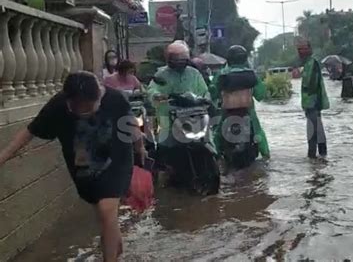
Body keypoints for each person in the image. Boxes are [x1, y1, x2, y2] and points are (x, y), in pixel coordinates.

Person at [0, 71, 145, 262]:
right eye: (78, 110)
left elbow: (132, 126)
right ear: (69, 101)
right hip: (82, 167)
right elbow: (30, 131)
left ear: (99, 97)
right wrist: (3, 156)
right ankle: (116, 252)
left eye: (89, 109)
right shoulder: (59, 105)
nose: (83, 113)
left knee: (106, 208)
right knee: (105, 216)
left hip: (116, 159)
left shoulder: (115, 99)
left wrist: (140, 149)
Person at [211, 45, 270, 159]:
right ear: (244, 58)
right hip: (248, 112)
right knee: (258, 132)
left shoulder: (221, 74)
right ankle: (266, 156)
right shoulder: (251, 74)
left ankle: (216, 158)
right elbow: (260, 95)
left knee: (217, 134)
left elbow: (213, 93)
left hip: (227, 112)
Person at [147, 41, 209, 145]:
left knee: (207, 142)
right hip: (169, 117)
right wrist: (158, 96)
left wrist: (205, 99)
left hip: (193, 115)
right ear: (169, 59)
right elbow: (152, 90)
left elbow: (204, 91)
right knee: (165, 146)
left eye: (183, 60)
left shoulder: (194, 73)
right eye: (176, 59)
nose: (180, 62)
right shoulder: (161, 74)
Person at [298, 41, 330, 159]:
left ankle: (312, 157)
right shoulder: (307, 64)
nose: (301, 52)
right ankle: (322, 157)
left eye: (304, 49)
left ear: (310, 49)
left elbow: (312, 85)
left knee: (312, 132)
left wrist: (313, 103)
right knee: (318, 130)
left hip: (313, 103)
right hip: (309, 104)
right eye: (299, 49)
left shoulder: (313, 63)